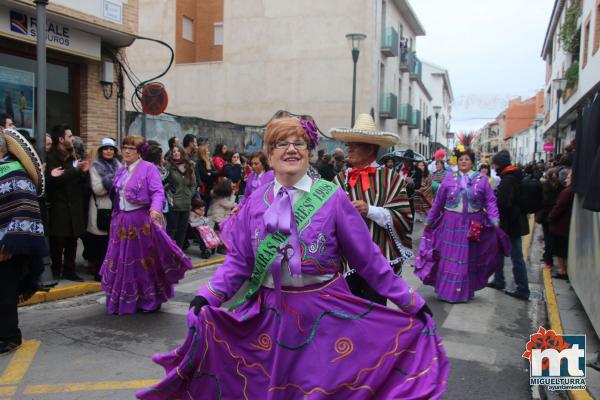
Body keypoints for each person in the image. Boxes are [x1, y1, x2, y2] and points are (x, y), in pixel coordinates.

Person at [136, 116, 447, 400]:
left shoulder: (332, 197)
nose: (291, 150)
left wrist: (411, 301)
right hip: (269, 315)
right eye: (281, 144)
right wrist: (208, 296)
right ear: (269, 155)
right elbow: (240, 262)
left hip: (325, 313)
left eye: (299, 143)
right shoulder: (255, 201)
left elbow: (369, 261)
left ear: (309, 152)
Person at [100, 135, 192, 314]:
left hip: (141, 223)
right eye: (125, 147)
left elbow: (157, 192)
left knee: (142, 262)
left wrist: (155, 210)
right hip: (122, 222)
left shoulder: (148, 168)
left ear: (139, 152)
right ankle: (124, 298)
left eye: (131, 148)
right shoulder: (122, 170)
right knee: (122, 261)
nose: (126, 151)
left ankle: (148, 298)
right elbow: (116, 194)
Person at [330, 114, 414, 304]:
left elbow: (403, 217)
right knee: (348, 311)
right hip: (346, 260)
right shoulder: (339, 179)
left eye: (355, 144)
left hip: (379, 260)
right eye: (348, 144)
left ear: (370, 148)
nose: (348, 148)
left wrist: (370, 210)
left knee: (374, 313)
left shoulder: (391, 178)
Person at [414, 148, 510, 303]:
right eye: (461, 160)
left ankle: (464, 291)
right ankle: (447, 292)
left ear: (472, 162)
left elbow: (490, 201)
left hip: (473, 224)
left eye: (466, 159)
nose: (463, 162)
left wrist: (494, 219)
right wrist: (429, 221)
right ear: (457, 162)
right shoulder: (449, 178)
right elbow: (438, 202)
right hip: (450, 224)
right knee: (450, 258)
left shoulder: (482, 179)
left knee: (468, 257)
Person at [0, 129, 47, 354]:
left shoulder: (15, 173)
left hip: (7, 247)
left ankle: (9, 336)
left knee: (5, 293)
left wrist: (9, 244)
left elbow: (25, 208)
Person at [45, 125, 89, 281]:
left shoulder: (74, 156)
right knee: (58, 241)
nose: (72, 139)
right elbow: (56, 179)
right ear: (61, 139)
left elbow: (77, 179)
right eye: (69, 136)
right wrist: (76, 171)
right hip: (60, 206)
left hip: (75, 206)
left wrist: (83, 172)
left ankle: (70, 270)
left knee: (72, 241)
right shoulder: (51, 157)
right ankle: (56, 270)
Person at [487, 150, 530, 301]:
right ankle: (499, 280)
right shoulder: (515, 175)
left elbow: (503, 203)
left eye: (494, 164)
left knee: (516, 256)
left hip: (510, 224)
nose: (493, 167)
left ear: (499, 164)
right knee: (499, 252)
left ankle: (523, 289)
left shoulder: (508, 179)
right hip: (514, 222)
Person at [87, 138, 121, 281]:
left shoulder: (119, 165)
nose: (109, 151)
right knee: (101, 245)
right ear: (101, 151)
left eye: (111, 149)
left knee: (113, 243)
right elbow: (97, 189)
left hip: (116, 208)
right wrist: (113, 180)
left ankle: (111, 272)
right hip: (101, 208)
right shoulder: (95, 167)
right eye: (106, 149)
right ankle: (99, 273)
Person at [166, 145, 196, 249]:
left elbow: (193, 184)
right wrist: (171, 195)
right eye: (174, 151)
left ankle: (179, 254)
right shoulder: (169, 166)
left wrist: (189, 195)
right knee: (171, 230)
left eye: (178, 151)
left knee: (182, 231)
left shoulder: (189, 166)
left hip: (186, 204)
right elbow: (163, 183)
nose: (176, 153)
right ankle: (169, 253)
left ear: (182, 153)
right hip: (174, 204)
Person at [548, 169, 575, 280]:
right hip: (566, 224)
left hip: (560, 225)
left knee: (560, 249)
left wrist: (550, 217)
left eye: (568, 177)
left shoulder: (567, 192)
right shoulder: (573, 191)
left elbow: (559, 207)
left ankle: (562, 270)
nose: (566, 179)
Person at [535, 167, 562, 270]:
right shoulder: (560, 186)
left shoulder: (545, 185)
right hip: (556, 215)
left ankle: (548, 260)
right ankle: (548, 257)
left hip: (546, 215)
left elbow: (543, 200)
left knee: (548, 238)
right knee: (552, 237)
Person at [195, 137, 217, 208]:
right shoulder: (199, 163)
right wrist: (211, 174)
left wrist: (211, 173)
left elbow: (216, 173)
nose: (209, 153)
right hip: (204, 191)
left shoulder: (209, 162)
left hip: (210, 190)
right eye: (207, 151)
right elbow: (205, 176)